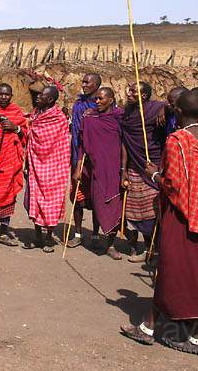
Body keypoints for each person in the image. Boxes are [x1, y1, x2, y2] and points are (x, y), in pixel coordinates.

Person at [120, 89, 198, 355]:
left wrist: (153, 176)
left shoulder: (177, 141)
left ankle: (155, 329)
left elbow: (174, 185)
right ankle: (180, 333)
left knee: (170, 271)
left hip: (182, 217)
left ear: (177, 112)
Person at [75, 87, 126, 259]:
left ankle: (110, 244)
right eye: (96, 99)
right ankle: (94, 235)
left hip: (114, 167)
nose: (97, 102)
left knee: (113, 203)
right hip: (94, 167)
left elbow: (125, 144)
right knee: (96, 202)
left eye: (101, 99)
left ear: (111, 100)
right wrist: (78, 166)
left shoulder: (120, 117)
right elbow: (82, 144)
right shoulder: (89, 118)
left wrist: (124, 169)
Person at [120, 81, 166, 261]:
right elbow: (124, 141)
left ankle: (158, 248)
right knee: (135, 209)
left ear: (144, 96)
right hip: (134, 165)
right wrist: (123, 168)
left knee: (153, 209)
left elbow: (176, 103)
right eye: (129, 90)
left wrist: (165, 109)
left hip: (152, 165)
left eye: (133, 92)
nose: (129, 94)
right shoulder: (127, 114)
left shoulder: (156, 108)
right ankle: (146, 248)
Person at [23, 86, 70, 252]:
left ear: (50, 100)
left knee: (52, 200)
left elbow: (61, 143)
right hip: (35, 163)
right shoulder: (36, 113)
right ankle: (37, 236)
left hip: (54, 165)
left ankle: (49, 237)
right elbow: (30, 132)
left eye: (41, 96)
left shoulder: (59, 118)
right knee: (34, 198)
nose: (37, 97)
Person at [0, 83, 27, 246]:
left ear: (11, 96)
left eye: (7, 94)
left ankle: (3, 232)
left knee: (8, 197)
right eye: (0, 94)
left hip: (10, 163)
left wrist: (15, 128)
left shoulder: (16, 113)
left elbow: (26, 134)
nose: (3, 97)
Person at [68, 73, 101, 248]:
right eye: (83, 81)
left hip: (95, 158)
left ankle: (96, 234)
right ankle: (78, 233)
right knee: (78, 197)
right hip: (77, 155)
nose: (84, 84)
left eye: (87, 82)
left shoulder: (101, 104)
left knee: (96, 197)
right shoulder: (78, 104)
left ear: (96, 85)